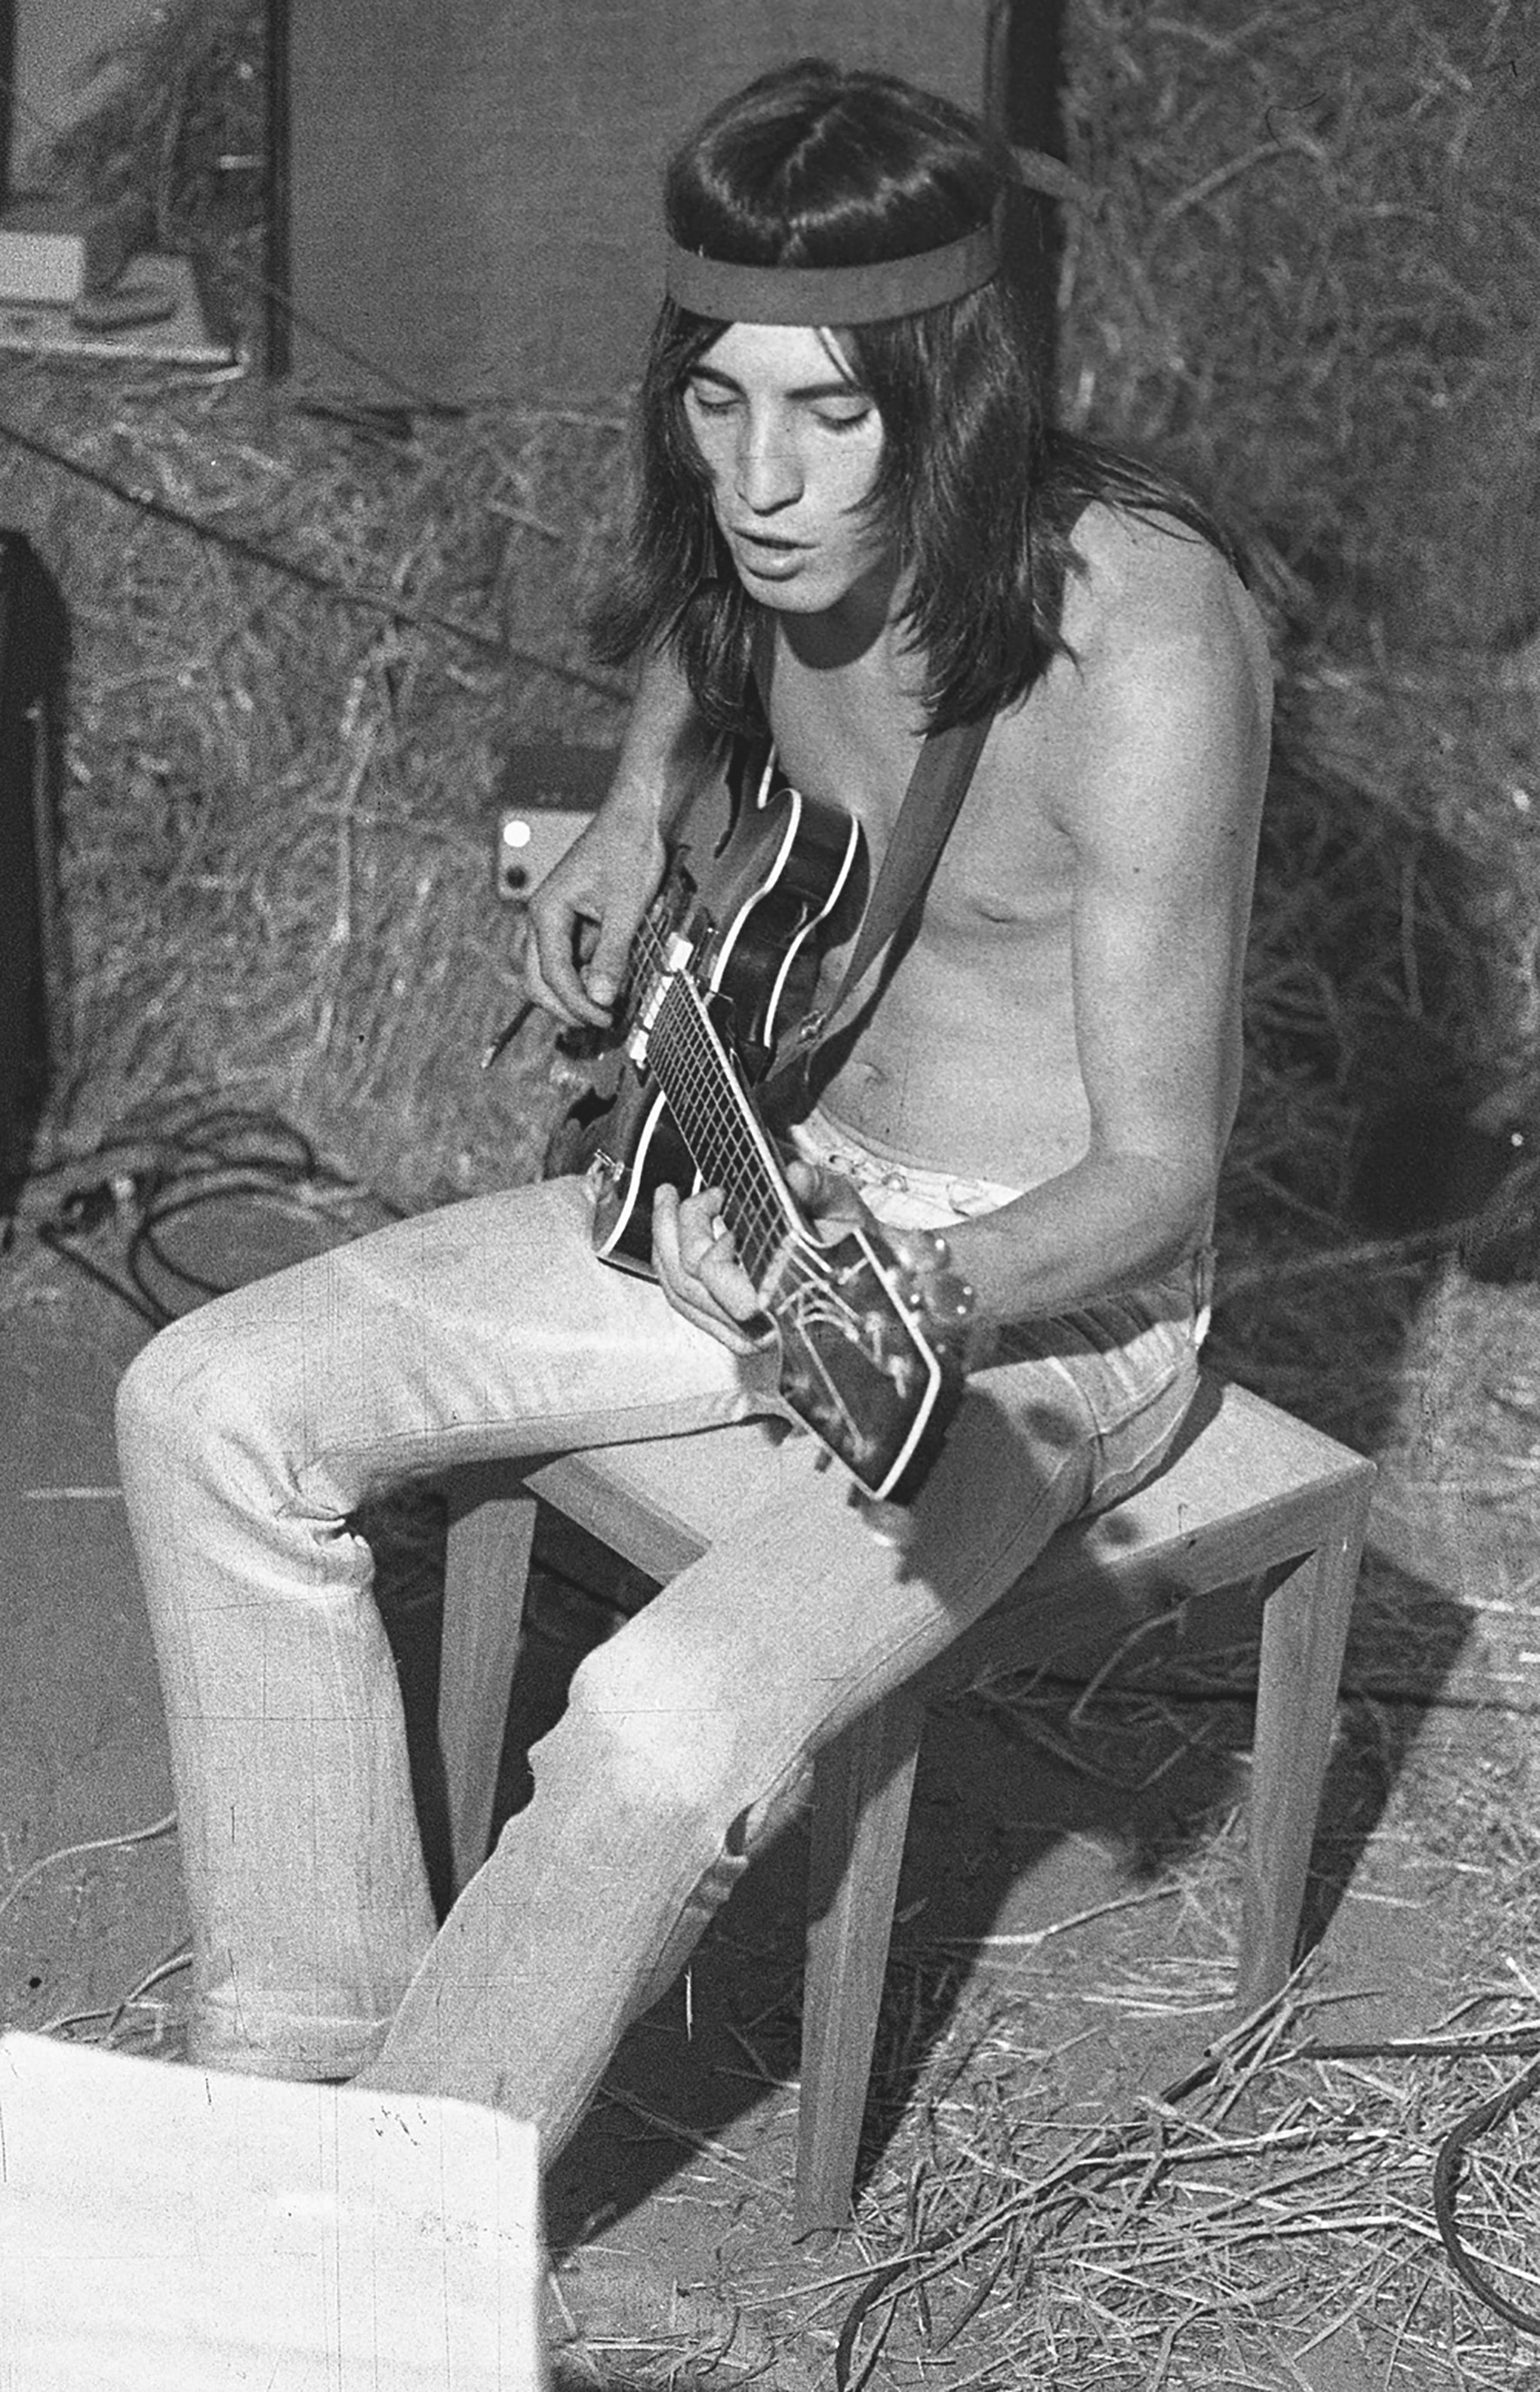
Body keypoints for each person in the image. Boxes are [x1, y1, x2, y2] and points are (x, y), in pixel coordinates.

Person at [115, 58, 1271, 2163]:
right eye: (716, 401)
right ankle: (298, 2058)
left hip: (1034, 1303)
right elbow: (709, 602)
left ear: (953, 392)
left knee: (653, 1723)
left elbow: (1157, 1175)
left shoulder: (1144, 645)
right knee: (204, 1400)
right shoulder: (762, 514)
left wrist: (922, 1279)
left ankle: (396, 2212)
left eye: (830, 413)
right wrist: (640, 810)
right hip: (757, 1165)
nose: (762, 477)